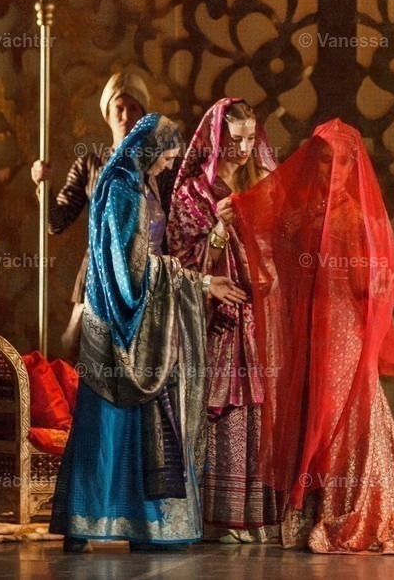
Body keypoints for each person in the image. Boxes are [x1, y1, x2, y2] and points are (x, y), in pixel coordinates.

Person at [233, 119, 394, 554]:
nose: (331, 170)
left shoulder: (354, 216)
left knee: (340, 409)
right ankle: (310, 512)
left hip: (341, 329)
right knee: (310, 408)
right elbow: (273, 253)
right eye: (323, 160)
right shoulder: (301, 212)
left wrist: (361, 286)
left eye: (340, 162)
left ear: (352, 165)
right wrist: (239, 210)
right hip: (307, 327)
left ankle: (348, 507)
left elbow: (374, 281)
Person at [49, 113, 248, 552]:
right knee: (107, 425)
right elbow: (131, 271)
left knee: (134, 426)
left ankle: (134, 524)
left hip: (136, 319)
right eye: (164, 159)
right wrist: (199, 282)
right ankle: (89, 522)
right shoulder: (122, 190)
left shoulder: (140, 185)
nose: (166, 167)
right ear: (148, 152)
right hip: (117, 323)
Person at [166, 98, 283, 543]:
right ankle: (215, 517)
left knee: (257, 414)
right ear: (216, 139)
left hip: (257, 317)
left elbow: (278, 248)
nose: (244, 148)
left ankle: (252, 516)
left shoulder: (260, 184)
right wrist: (218, 229)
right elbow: (180, 261)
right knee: (220, 413)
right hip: (213, 321)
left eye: (251, 138)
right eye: (235, 139)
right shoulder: (192, 194)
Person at [30, 71, 180, 359]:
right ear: (107, 114)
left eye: (133, 108)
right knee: (75, 346)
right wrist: (43, 188)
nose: (125, 116)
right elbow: (56, 223)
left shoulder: (161, 165)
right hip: (98, 272)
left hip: (146, 273)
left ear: (143, 114)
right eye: (118, 108)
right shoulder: (90, 164)